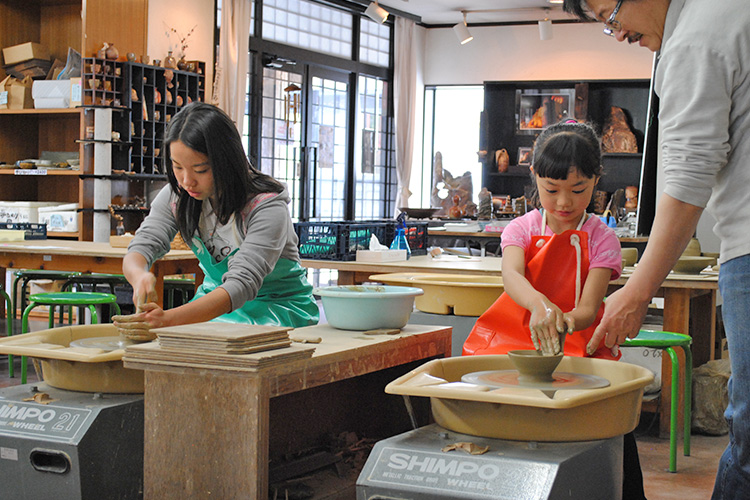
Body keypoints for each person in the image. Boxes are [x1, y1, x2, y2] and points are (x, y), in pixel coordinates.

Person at [562, 1, 750, 498]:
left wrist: (637, 291)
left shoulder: (694, 37)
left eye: (609, 11)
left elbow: (689, 179)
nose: (616, 32)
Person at [463, 120, 646, 499]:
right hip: (520, 335)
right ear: (535, 177)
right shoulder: (521, 229)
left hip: (579, 339)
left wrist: (561, 321)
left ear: (596, 180)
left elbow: (589, 307)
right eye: (552, 190)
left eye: (577, 190)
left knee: (606, 420)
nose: (564, 202)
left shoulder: (602, 238)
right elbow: (511, 276)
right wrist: (539, 305)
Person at [113, 102, 319, 340]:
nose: (186, 180)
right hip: (212, 304)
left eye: (200, 170)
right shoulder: (176, 196)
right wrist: (139, 274)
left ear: (227, 161)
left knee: (198, 339)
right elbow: (142, 245)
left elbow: (241, 284)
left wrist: (169, 320)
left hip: (278, 306)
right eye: (177, 167)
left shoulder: (267, 206)